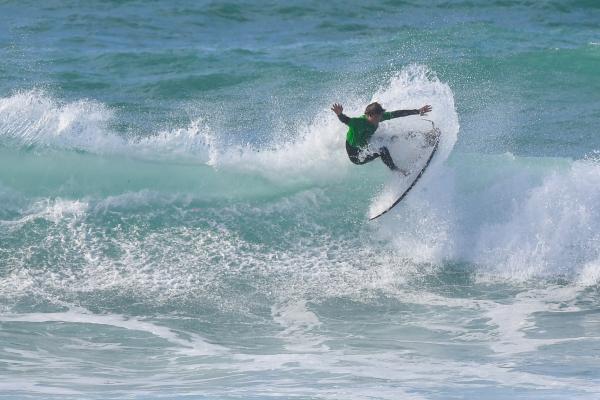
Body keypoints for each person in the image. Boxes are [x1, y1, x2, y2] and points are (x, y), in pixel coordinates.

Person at [332, 101, 432, 172]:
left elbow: (397, 113)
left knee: (395, 137)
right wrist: (339, 114)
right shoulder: (358, 122)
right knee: (382, 150)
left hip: (366, 142)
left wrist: (417, 111)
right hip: (356, 155)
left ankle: (427, 138)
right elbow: (345, 120)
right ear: (369, 115)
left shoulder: (379, 116)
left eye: (380, 117)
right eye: (376, 117)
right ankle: (397, 171)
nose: (378, 120)